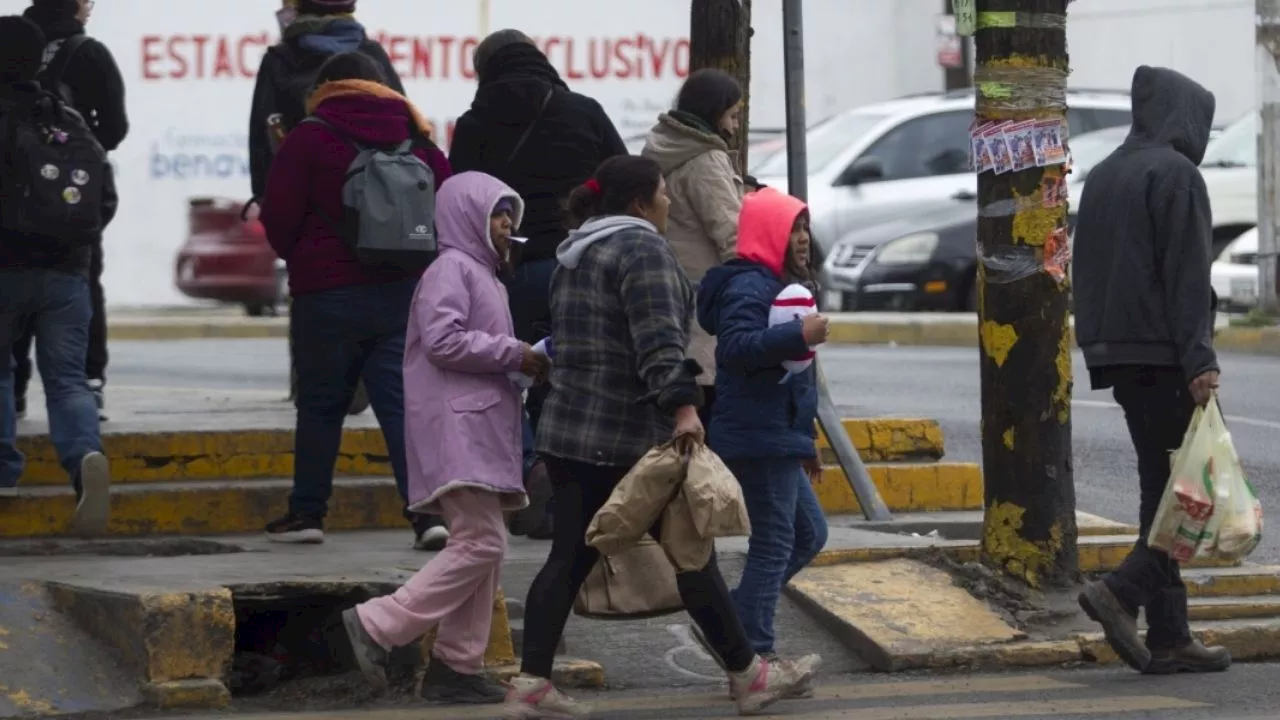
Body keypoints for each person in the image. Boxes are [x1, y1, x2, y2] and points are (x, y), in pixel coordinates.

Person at [504, 157, 809, 718]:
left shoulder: (577, 252)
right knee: (693, 556)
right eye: (665, 195)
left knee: (569, 556)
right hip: (625, 436)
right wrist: (687, 411)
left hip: (569, 431)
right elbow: (659, 345)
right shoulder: (641, 250)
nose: (669, 204)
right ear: (642, 203)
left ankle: (532, 684)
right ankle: (748, 675)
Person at [341, 171, 545, 705]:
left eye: (510, 216)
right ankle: (380, 623)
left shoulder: (485, 277)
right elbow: (443, 340)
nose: (506, 225)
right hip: (459, 430)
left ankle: (457, 665)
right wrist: (514, 353)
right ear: (467, 217)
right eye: (498, 215)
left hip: (479, 429)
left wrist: (524, 362)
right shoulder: (451, 269)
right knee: (483, 542)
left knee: (485, 548)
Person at [258, 51, 452, 549]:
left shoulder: (308, 136)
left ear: (324, 88)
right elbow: (448, 206)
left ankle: (307, 516)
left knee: (321, 406)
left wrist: (305, 260)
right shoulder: (418, 137)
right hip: (401, 294)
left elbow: (278, 217)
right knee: (401, 407)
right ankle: (427, 516)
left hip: (326, 295)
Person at [1073, 65, 1231, 675]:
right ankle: (1121, 591)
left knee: (1159, 494)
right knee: (1185, 498)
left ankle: (1170, 635)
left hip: (1119, 353)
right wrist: (1201, 360)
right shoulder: (1177, 175)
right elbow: (1188, 277)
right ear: (1187, 118)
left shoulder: (1106, 173)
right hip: (1166, 354)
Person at [450, 30, 629, 540]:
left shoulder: (473, 123)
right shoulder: (585, 112)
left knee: (507, 372)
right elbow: (616, 180)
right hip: (577, 265)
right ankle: (560, 489)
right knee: (563, 377)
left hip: (506, 270)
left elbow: (460, 195)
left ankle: (526, 465)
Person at [694, 187, 829, 693]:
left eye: (805, 228)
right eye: (793, 228)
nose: (802, 239)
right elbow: (734, 349)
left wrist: (806, 437)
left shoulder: (775, 283)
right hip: (757, 436)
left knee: (809, 535)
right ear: (770, 232)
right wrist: (801, 335)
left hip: (778, 435)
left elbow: (796, 378)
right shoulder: (750, 285)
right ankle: (755, 654)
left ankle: (728, 627)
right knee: (775, 544)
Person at [0, 14, 114, 534]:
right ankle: (84, 457)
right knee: (67, 380)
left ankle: (3, 470)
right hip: (68, 271)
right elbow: (103, 199)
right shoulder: (65, 117)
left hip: (5, 266)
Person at [16, 0, 129, 422]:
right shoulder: (90, 53)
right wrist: (72, 146)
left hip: (11, 197)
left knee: (11, 291)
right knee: (82, 285)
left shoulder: (11, 44)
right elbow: (115, 128)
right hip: (69, 197)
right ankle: (89, 384)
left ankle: (14, 392)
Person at [641, 68, 745, 428]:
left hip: (675, 294)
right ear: (713, 111)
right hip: (709, 304)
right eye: (731, 116)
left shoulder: (660, 147)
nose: (733, 127)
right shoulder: (706, 158)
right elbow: (731, 235)